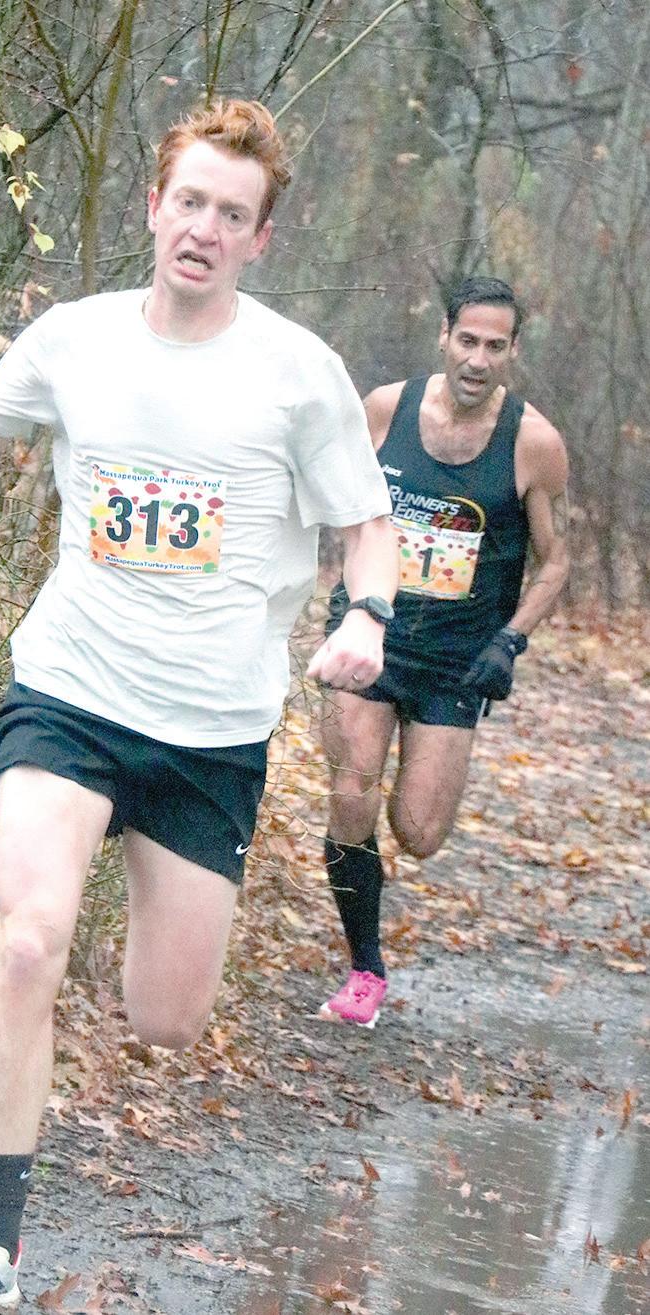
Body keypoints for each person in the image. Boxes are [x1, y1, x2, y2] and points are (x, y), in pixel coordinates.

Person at [0, 99, 397, 1314]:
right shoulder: (74, 339)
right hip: (69, 689)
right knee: (28, 939)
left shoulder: (299, 373)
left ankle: (133, 905)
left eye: (233, 214)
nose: (204, 229)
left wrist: (368, 618)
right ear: (153, 206)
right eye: (191, 202)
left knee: (165, 1020)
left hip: (211, 732)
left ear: (261, 238)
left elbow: (367, 522)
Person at [319, 276, 570, 1028]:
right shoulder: (385, 409)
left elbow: (556, 562)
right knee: (351, 791)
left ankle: (373, 915)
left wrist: (509, 641)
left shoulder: (533, 443)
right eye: (467, 341)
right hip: (373, 631)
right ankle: (365, 968)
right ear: (444, 336)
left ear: (513, 351)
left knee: (420, 833)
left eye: (495, 346)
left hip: (458, 659)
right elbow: (339, 504)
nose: (478, 360)